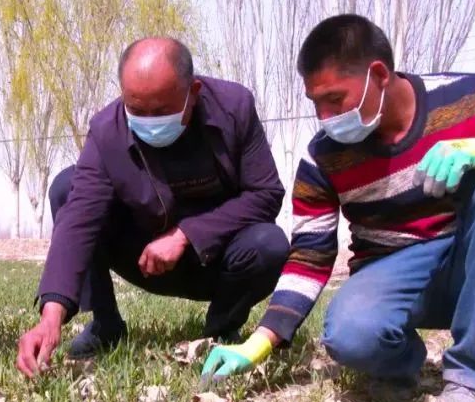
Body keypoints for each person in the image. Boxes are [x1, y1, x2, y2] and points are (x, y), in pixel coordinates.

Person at [201, 15, 475, 402]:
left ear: (378, 74)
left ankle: (474, 379)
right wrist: (262, 340)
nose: (324, 116)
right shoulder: (323, 156)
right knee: (351, 334)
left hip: (474, 257)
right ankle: (404, 364)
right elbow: (310, 256)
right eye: (315, 103)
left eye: (335, 99)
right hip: (392, 270)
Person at [16, 37, 288, 377]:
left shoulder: (235, 108)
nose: (148, 120)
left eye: (160, 111)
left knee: (270, 244)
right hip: (144, 258)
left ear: (194, 91)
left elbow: (265, 194)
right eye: (136, 110)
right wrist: (50, 316)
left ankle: (220, 329)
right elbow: (79, 219)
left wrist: (186, 235)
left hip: (217, 261)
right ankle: (106, 324)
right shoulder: (106, 130)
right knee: (66, 188)